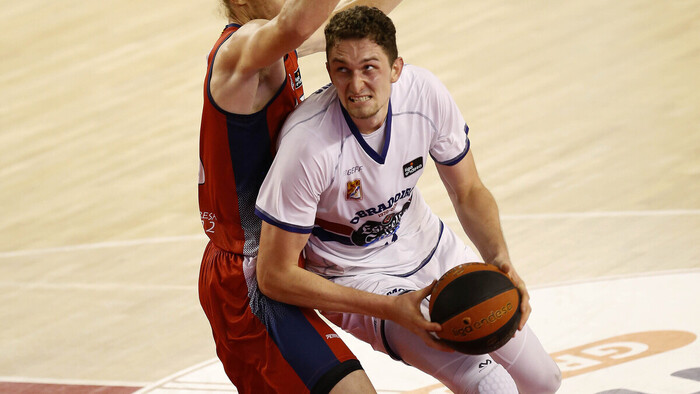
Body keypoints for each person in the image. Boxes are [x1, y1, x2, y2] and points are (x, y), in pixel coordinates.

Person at [254, 6, 562, 394]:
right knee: (490, 385)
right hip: (358, 277)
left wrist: (499, 259)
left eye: (369, 68)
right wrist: (389, 309)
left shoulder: (425, 94)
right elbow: (273, 275)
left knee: (544, 380)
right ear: (330, 72)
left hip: (431, 248)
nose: (356, 85)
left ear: (396, 68)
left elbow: (468, 191)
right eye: (342, 70)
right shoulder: (308, 145)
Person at [197, 1, 401, 393]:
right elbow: (296, 22)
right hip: (247, 276)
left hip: (284, 255)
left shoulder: (278, 44)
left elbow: (361, 15)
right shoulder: (241, 50)